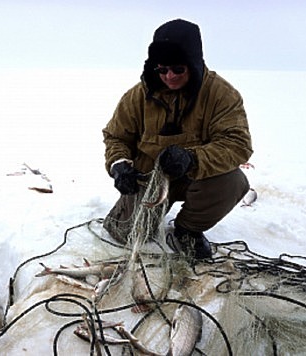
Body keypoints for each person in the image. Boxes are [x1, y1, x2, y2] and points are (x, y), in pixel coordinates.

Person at [102, 19, 253, 259]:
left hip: (199, 176)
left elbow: (237, 144)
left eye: (178, 69)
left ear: (193, 63)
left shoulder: (221, 95)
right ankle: (143, 216)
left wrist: (192, 158)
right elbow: (116, 137)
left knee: (233, 180)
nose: (169, 76)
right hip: (151, 178)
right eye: (162, 70)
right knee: (123, 233)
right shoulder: (137, 96)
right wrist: (119, 164)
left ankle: (188, 230)